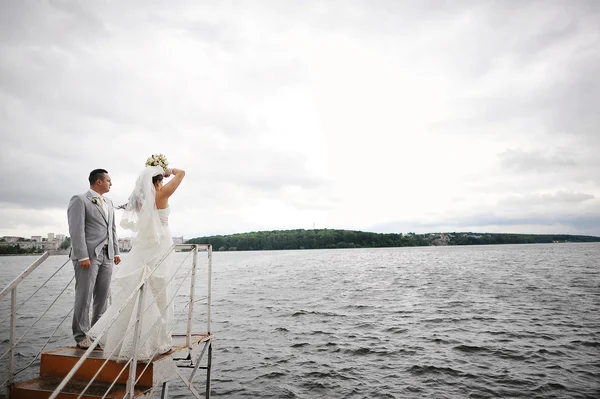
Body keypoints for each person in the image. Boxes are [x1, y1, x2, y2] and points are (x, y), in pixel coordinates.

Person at [88, 164, 185, 361]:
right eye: (162, 179)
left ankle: (131, 336)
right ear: (158, 181)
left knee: (141, 285)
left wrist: (160, 171)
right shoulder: (163, 193)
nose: (164, 181)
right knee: (160, 287)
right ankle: (158, 340)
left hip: (144, 246)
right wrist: (170, 170)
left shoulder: (141, 200)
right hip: (161, 242)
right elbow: (182, 173)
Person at [67, 169, 121, 349]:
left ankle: (97, 333)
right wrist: (82, 255)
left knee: (103, 297)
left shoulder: (109, 202)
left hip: (107, 255)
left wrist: (116, 252)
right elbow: (76, 230)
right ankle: (81, 335)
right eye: (108, 180)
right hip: (88, 256)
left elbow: (112, 229)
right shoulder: (79, 199)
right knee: (84, 296)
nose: (110, 183)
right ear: (98, 182)